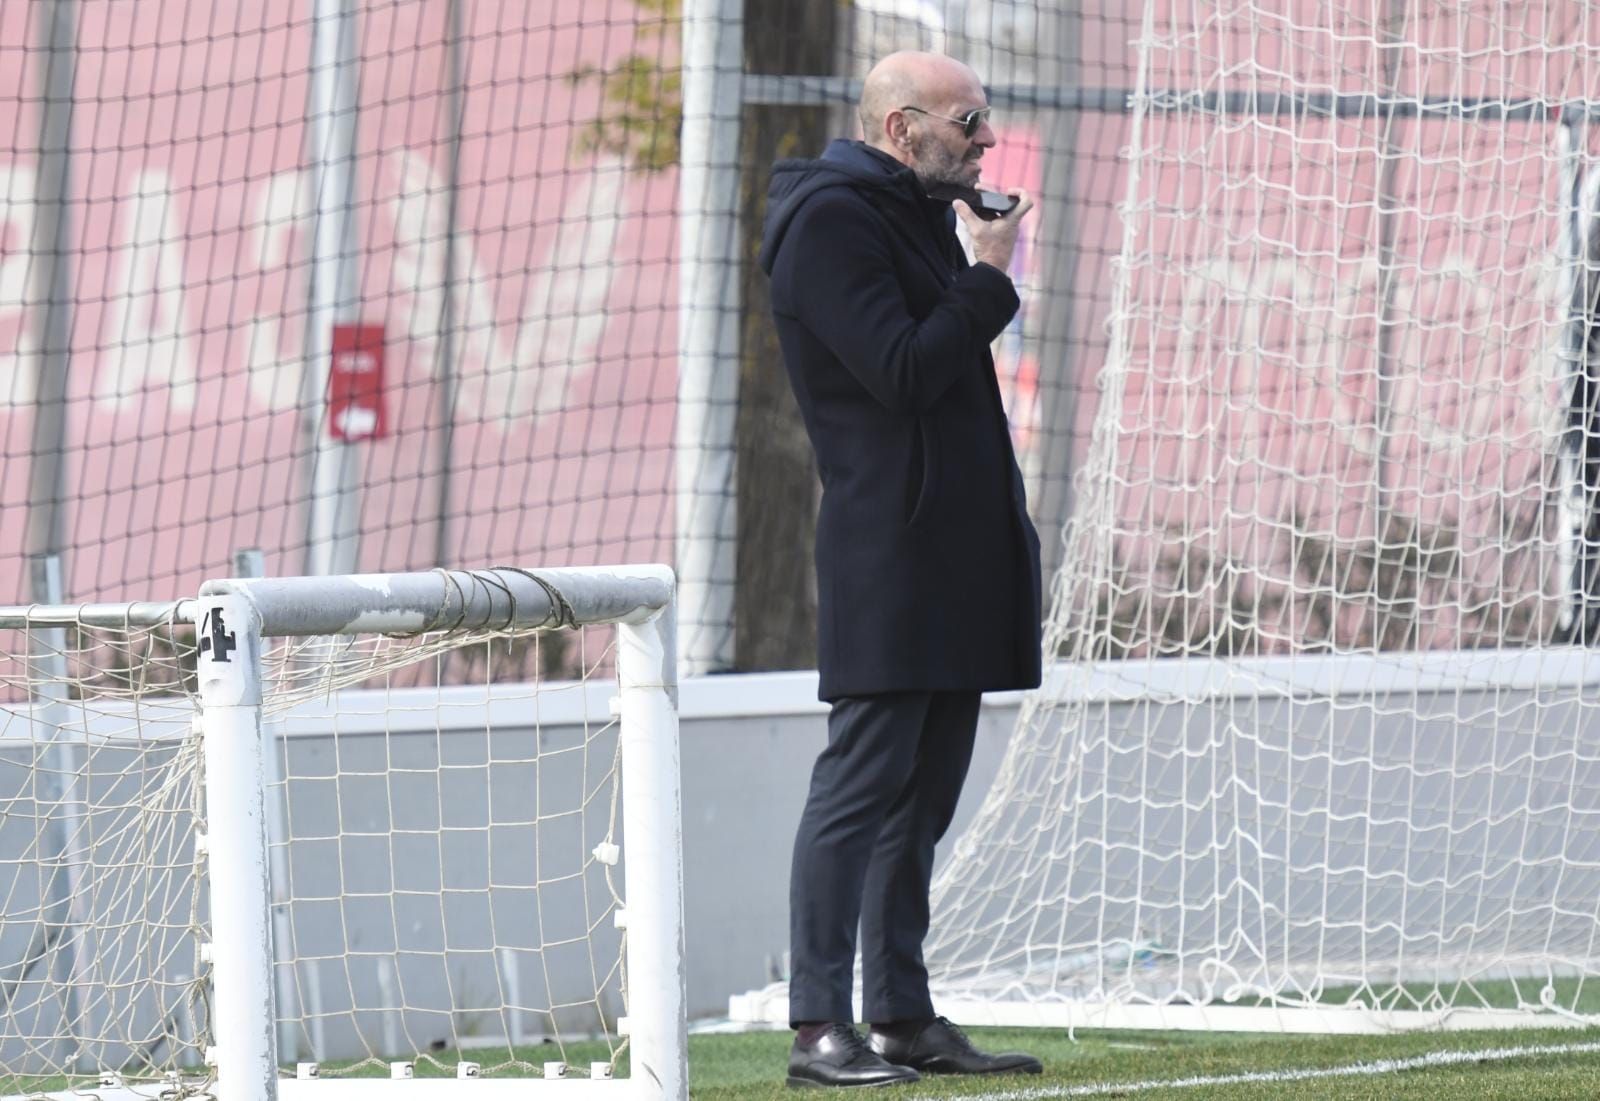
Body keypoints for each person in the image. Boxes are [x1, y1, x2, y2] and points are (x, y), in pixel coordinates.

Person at [757, 51, 1045, 1088]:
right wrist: (988, 272)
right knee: (860, 787)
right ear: (899, 128)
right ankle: (815, 1026)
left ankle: (900, 1014)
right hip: (891, 551)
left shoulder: (918, 212)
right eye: (968, 121)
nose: (984, 138)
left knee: (921, 801)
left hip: (953, 553)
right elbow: (904, 371)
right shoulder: (830, 222)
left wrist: (969, 261)